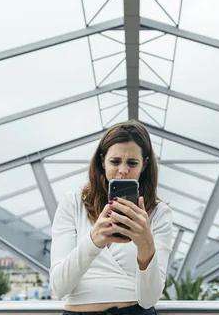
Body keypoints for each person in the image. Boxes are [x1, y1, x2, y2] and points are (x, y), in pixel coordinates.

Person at [50, 120, 173, 315]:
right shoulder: (72, 204)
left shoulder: (159, 213)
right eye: (115, 161)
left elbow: (149, 299)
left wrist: (145, 246)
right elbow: (58, 287)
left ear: (144, 165)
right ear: (102, 161)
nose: (123, 170)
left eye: (132, 163)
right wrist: (94, 240)